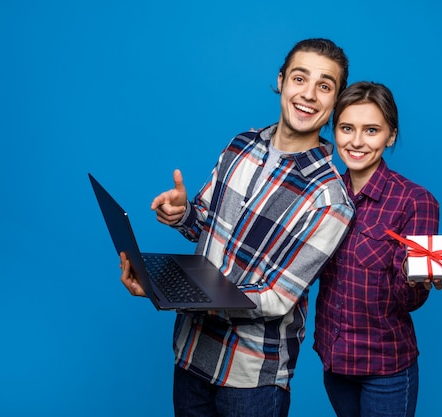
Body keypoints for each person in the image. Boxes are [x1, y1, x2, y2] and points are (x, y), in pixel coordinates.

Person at [118, 38, 354, 417]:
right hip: (191, 353)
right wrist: (182, 214)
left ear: (335, 101)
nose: (308, 94)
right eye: (299, 78)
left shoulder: (331, 200)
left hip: (251, 378)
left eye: (324, 86)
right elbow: (207, 224)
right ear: (281, 81)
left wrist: (165, 289)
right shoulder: (240, 145)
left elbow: (276, 298)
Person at [313, 81, 442, 417]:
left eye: (371, 130)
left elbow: (411, 302)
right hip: (334, 361)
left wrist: (413, 275)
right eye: (347, 128)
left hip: (386, 368)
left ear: (390, 135)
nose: (357, 141)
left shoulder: (416, 201)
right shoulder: (324, 193)